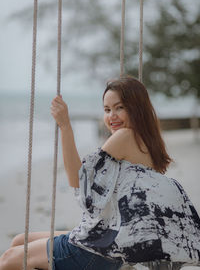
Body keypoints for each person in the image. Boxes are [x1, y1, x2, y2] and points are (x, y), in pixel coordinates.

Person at [0, 75, 200, 270]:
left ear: (136, 109)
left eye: (119, 108)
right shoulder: (150, 143)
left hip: (96, 252)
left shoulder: (125, 136)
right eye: (107, 109)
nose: (111, 116)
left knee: (10, 259)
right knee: (19, 241)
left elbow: (78, 181)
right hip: (109, 244)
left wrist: (65, 125)